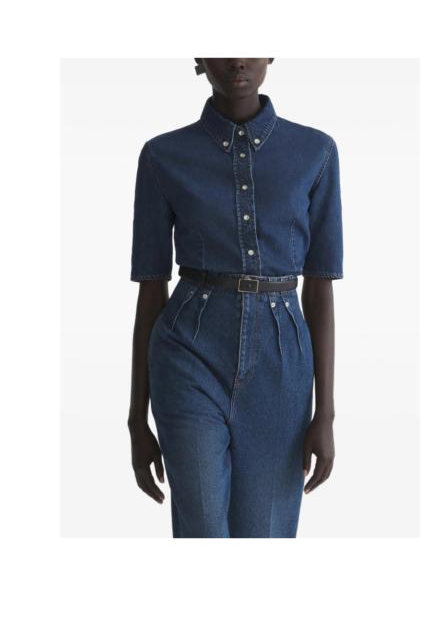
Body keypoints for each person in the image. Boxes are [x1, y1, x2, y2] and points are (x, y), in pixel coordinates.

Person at [128, 58, 343, 538]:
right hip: (187, 355)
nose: (238, 59)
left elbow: (320, 288)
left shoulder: (316, 153)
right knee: (203, 530)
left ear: (271, 53)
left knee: (263, 535)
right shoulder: (163, 156)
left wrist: (325, 413)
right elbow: (151, 289)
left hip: (282, 367)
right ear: (200, 58)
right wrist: (135, 419)